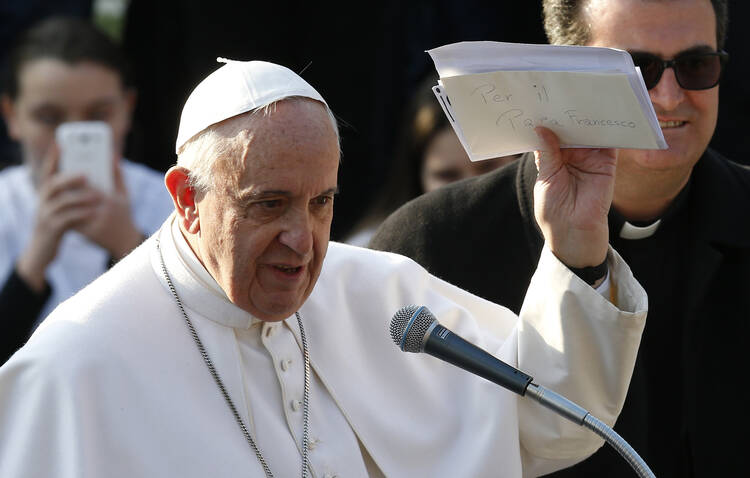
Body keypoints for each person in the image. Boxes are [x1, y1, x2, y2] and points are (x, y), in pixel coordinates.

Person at [0, 59, 647, 477]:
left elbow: (550, 423)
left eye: (322, 203)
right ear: (186, 199)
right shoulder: (78, 364)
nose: (301, 240)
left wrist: (574, 242)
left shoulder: (382, 294)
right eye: (269, 204)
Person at [370, 0, 750, 476]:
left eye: (696, 65)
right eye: (635, 70)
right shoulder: (429, 244)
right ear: (562, 73)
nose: (670, 96)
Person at [0, 17, 173, 363]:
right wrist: (34, 263)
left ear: (127, 110)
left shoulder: (172, 203)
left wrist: (128, 246)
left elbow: (192, 348)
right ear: (12, 116)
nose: (72, 135)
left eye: (98, 115)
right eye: (49, 118)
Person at [345, 76, 519, 246]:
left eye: (488, 166)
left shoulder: (544, 236)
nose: (470, 188)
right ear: (416, 174)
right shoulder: (375, 255)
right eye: (447, 175)